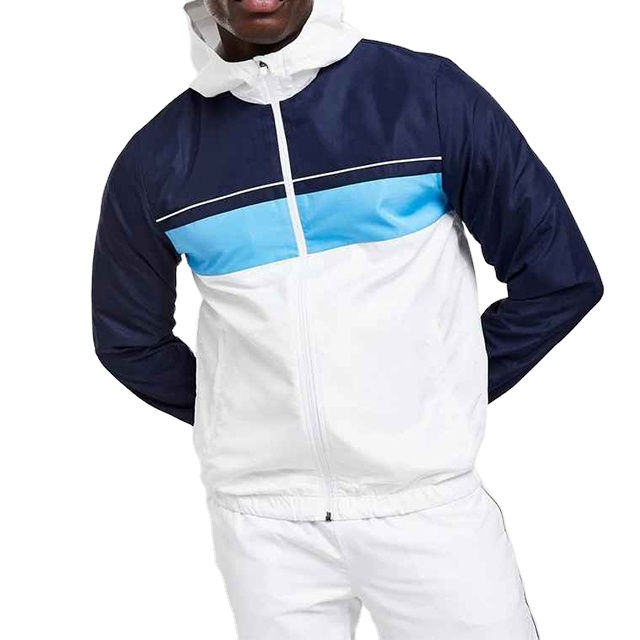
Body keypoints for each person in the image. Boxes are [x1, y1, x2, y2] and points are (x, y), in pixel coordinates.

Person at [91, 1, 603, 638]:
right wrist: (242, 412)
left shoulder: (427, 97)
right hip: (264, 528)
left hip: (427, 508)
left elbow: (559, 278)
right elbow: (127, 339)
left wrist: (444, 386)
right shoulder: (156, 158)